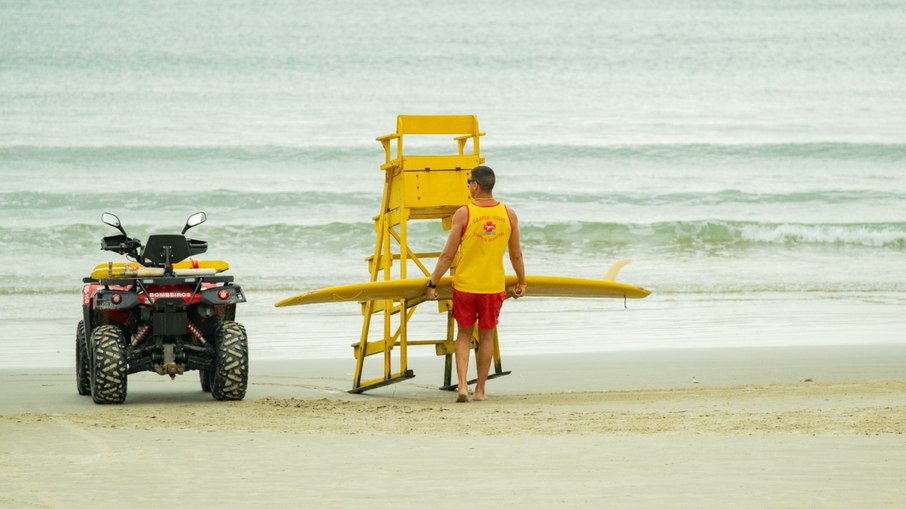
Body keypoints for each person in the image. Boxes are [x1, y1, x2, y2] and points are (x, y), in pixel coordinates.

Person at [425, 165, 526, 402]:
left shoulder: (464, 213)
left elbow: (447, 255)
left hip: (466, 286)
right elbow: (516, 255)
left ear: (475, 186)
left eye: (469, 182)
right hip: (492, 287)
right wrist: (522, 282)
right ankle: (480, 390)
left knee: (463, 334)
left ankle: (462, 387)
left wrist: (433, 283)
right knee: (487, 336)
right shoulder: (508, 213)